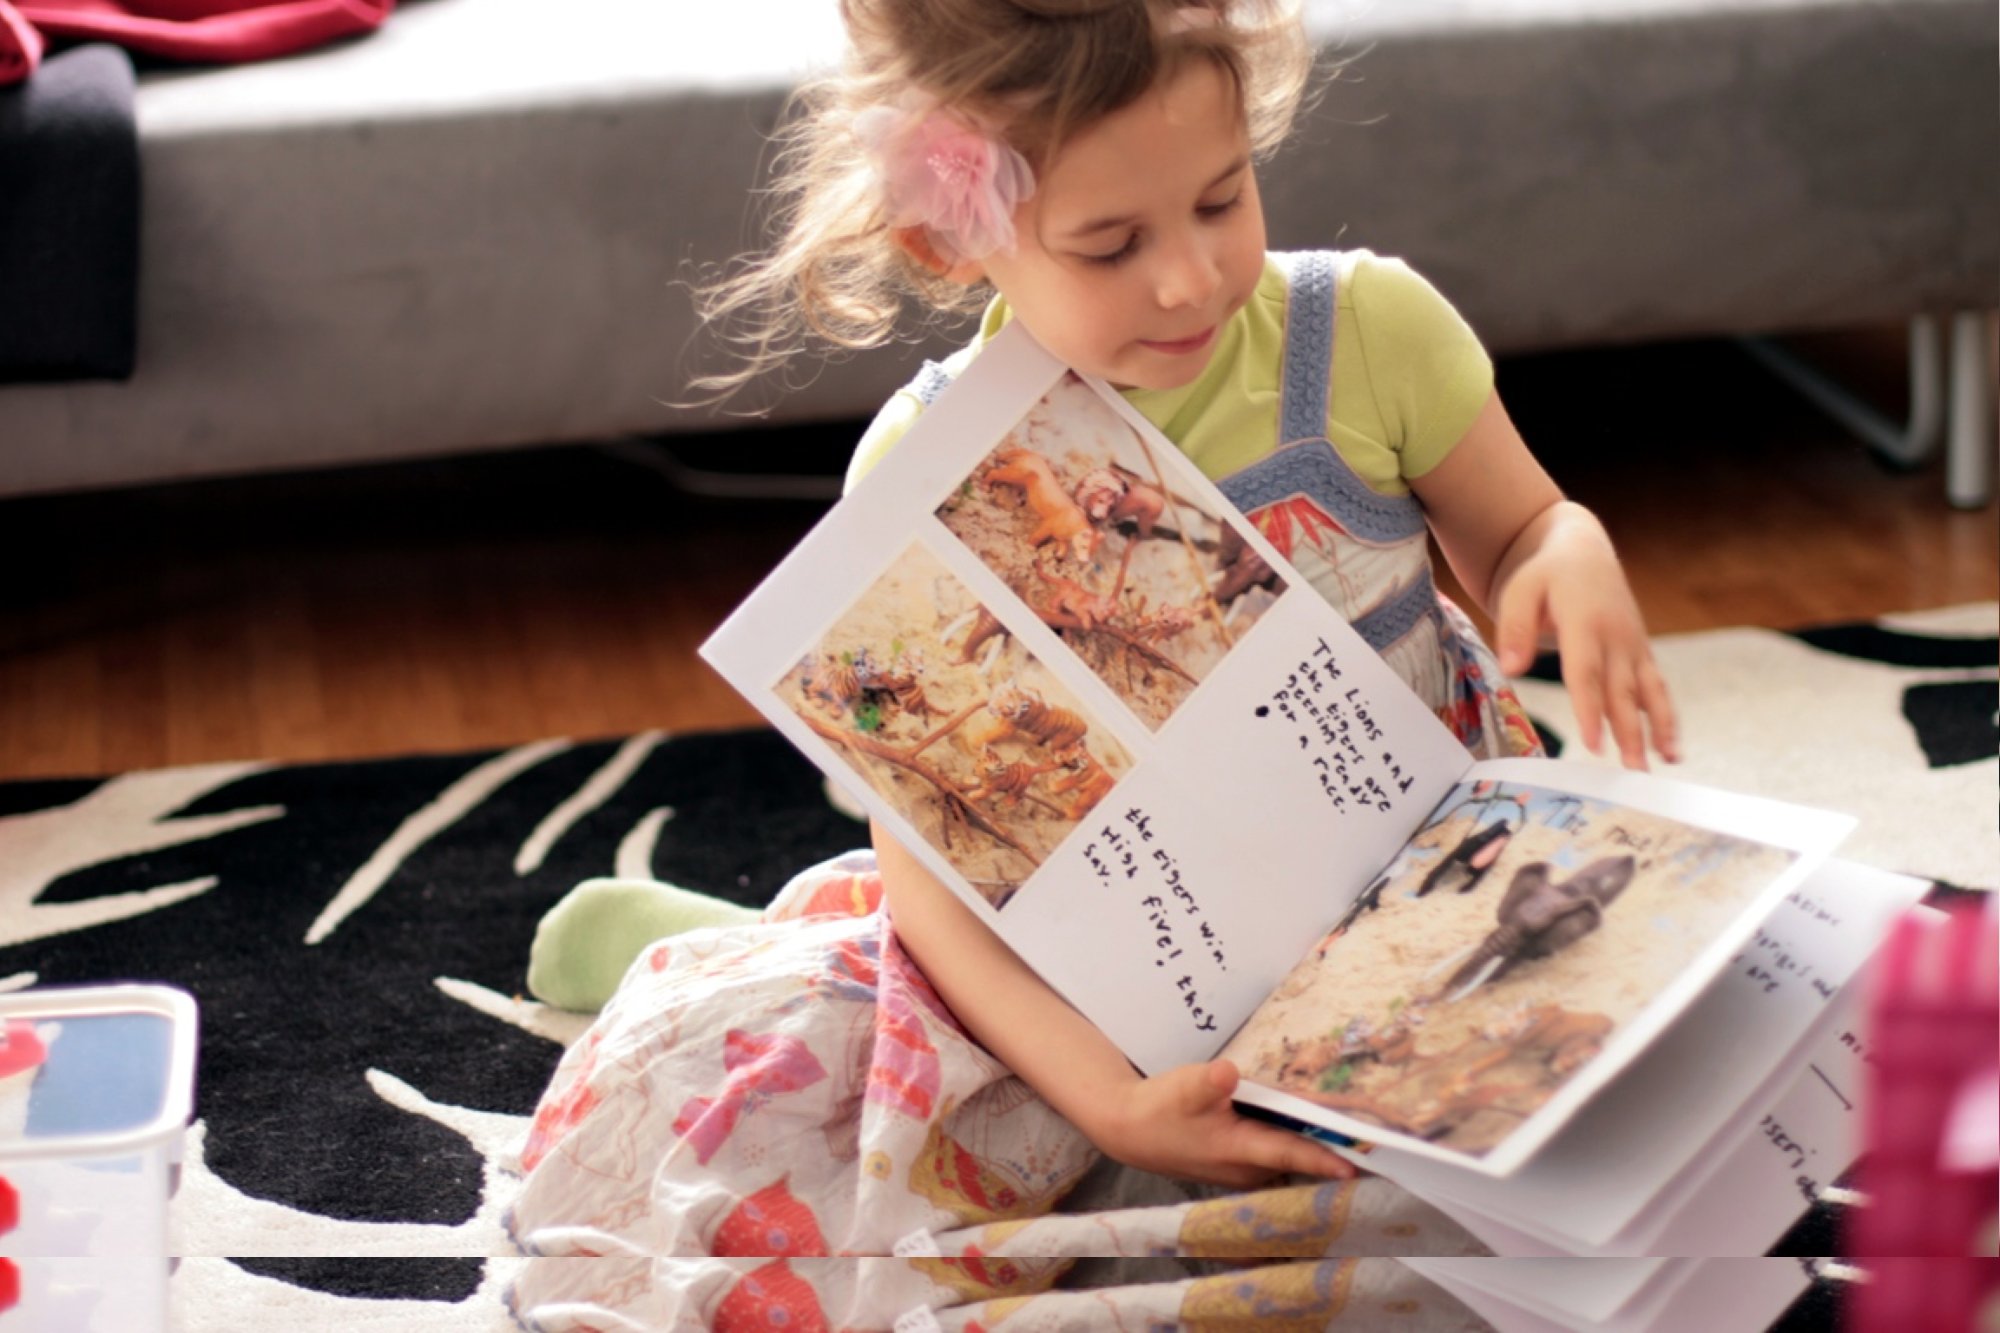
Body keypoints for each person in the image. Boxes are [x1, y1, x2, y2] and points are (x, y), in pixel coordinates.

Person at [510, 0, 1679, 1313]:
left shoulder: (1367, 332)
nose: (1189, 278)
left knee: (1590, 1158)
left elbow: (1522, 530)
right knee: (846, 1141)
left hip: (1420, 887)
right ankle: (717, 953)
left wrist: (1566, 550)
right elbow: (939, 882)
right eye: (1111, 245)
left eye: (1223, 199)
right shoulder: (924, 469)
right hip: (1120, 979)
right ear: (950, 238)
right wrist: (1108, 1101)